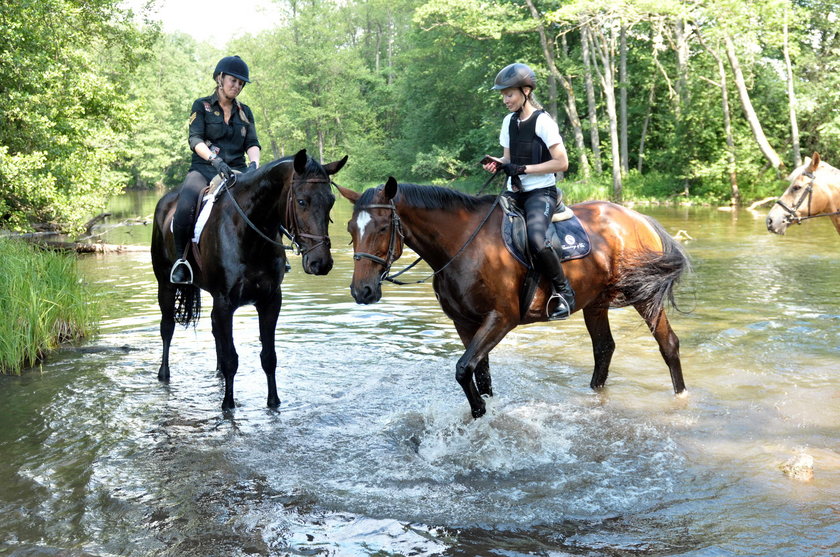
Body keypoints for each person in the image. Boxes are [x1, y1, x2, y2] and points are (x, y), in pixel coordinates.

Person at [481, 62, 575, 320]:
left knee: (536, 239)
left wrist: (523, 169)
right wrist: (498, 163)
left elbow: (561, 163)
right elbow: (508, 157)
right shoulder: (508, 122)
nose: (505, 99)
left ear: (525, 91)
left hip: (540, 193)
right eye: (503, 95)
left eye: (509, 94)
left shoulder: (543, 122)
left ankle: (564, 293)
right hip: (514, 192)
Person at [170, 55, 261, 284]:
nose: (237, 86)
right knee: (185, 205)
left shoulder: (245, 112)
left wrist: (254, 166)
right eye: (233, 81)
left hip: (237, 172)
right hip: (205, 169)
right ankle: (182, 261)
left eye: (241, 83)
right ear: (220, 78)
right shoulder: (201, 106)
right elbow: (195, 139)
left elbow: (252, 143)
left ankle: (273, 257)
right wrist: (214, 160)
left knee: (266, 201)